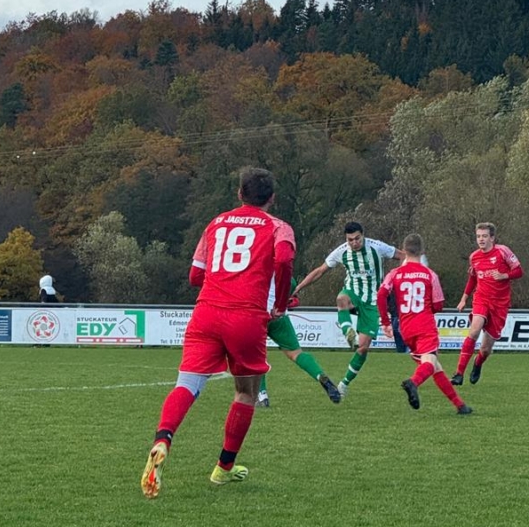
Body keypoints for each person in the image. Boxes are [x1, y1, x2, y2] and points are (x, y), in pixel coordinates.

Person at [141, 166, 295, 498]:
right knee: (246, 393)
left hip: (206, 312)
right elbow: (283, 260)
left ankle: (163, 439)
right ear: (272, 198)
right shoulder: (279, 227)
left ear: (239, 194)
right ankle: (224, 468)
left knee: (186, 385)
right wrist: (280, 303)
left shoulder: (216, 223)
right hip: (246, 316)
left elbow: (195, 276)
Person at [292, 222, 405, 397]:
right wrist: (299, 287)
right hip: (353, 293)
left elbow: (403, 256)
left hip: (373, 301)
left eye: (357, 238)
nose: (354, 243)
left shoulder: (377, 247)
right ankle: (348, 333)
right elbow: (320, 271)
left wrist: (399, 277)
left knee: (362, 348)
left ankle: (344, 384)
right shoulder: (342, 251)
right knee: (341, 299)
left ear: (363, 235)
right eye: (350, 240)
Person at [377, 233, 472, 415]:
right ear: (422, 251)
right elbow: (438, 305)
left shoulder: (395, 274)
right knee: (429, 362)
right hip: (424, 326)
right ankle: (413, 383)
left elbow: (381, 295)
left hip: (406, 328)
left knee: (434, 366)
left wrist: (386, 322)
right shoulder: (430, 275)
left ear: (404, 251)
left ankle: (460, 406)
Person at [451, 223, 523, 386]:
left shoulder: (503, 251)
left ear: (492, 238)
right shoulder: (474, 257)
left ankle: (477, 363)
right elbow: (473, 279)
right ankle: (458, 374)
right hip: (481, 299)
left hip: (500, 304)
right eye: (478, 236)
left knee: (485, 349)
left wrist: (504, 275)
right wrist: (463, 299)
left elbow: (519, 271)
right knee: (474, 330)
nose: (481, 239)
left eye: (484, 236)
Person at [256, 282, 342, 407]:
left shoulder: (254, 269)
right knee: (296, 353)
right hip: (279, 315)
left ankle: (262, 396)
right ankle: (320, 375)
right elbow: (291, 282)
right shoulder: (280, 270)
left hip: (258, 315)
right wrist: (285, 299)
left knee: (256, 356)